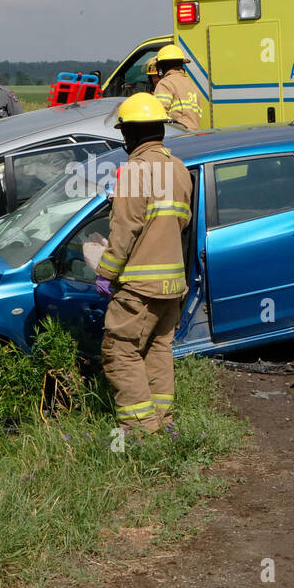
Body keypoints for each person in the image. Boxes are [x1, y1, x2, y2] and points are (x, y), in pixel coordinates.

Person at [94, 93, 193, 435]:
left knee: (121, 351)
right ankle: (163, 422)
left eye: (124, 133)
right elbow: (177, 222)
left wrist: (106, 273)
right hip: (172, 287)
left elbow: (125, 230)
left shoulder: (136, 170)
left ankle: (139, 429)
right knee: (158, 351)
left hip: (138, 286)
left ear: (131, 134)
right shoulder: (179, 169)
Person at [150, 44, 203, 130]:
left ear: (161, 67)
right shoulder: (192, 85)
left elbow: (158, 115)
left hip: (175, 137)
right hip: (194, 137)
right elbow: (199, 114)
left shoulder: (165, 84)